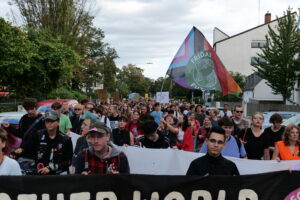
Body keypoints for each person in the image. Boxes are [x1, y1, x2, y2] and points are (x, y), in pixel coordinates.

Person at [19, 110, 73, 175]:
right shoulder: (37, 135)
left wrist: (51, 168)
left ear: (58, 122)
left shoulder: (66, 139)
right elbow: (24, 148)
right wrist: (13, 155)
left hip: (58, 176)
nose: (49, 123)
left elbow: (68, 161)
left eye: (52, 121)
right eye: (47, 121)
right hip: (39, 174)